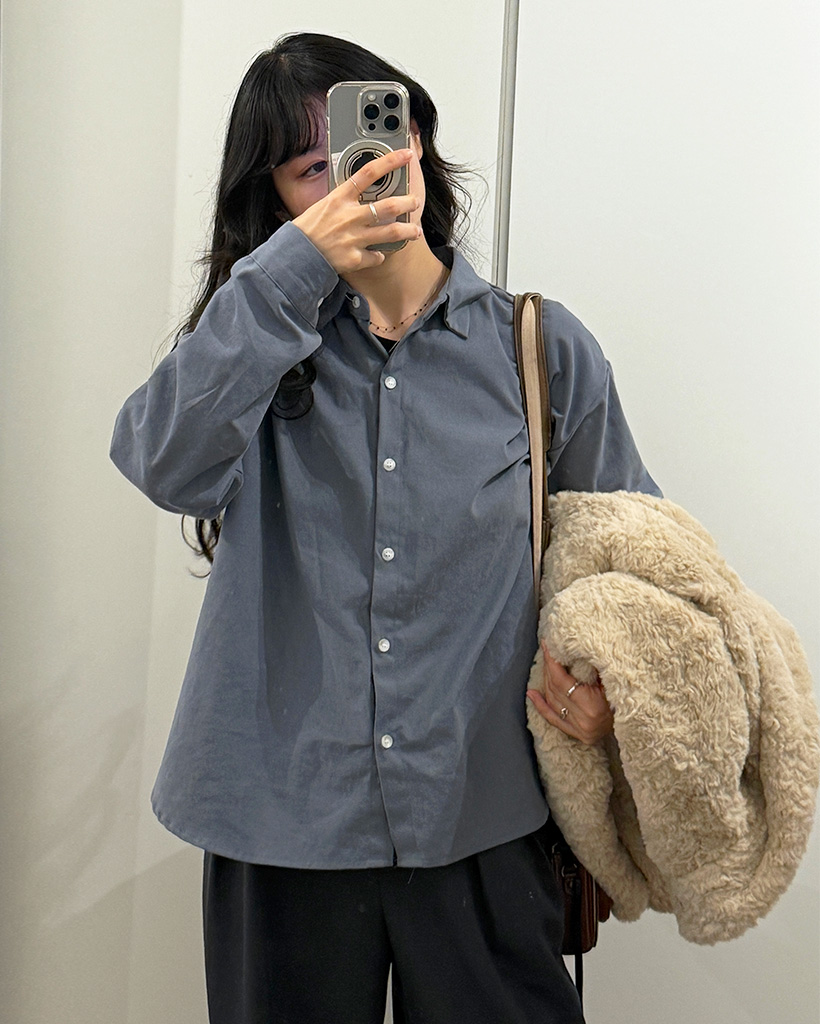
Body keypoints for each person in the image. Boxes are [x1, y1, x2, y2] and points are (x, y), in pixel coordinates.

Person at [110, 31, 660, 1024]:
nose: (349, 183)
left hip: (483, 814)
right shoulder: (252, 347)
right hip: (281, 821)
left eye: (365, 146)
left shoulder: (538, 349)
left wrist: (612, 697)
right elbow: (162, 463)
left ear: (415, 143)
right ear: (277, 203)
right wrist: (285, 276)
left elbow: (638, 572)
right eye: (309, 169)